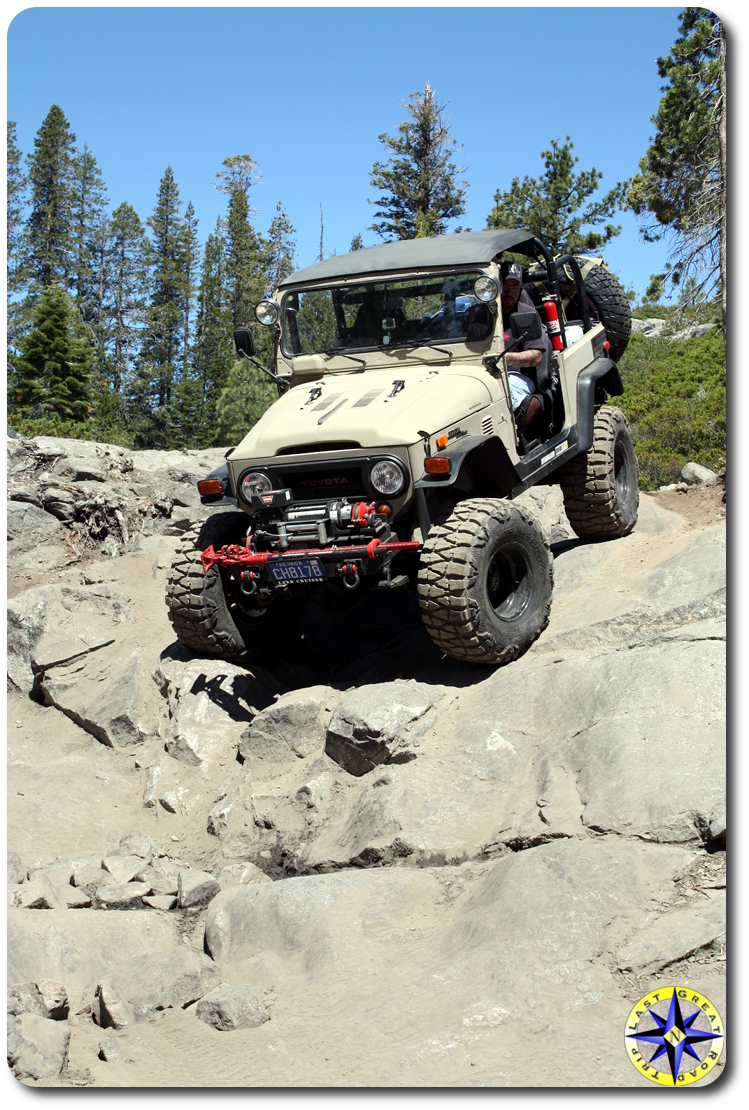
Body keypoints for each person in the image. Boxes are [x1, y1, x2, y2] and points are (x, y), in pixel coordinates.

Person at [500, 262, 553, 426]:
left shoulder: (526, 315)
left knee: (499, 393)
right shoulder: (483, 315)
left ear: (520, 289)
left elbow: (536, 357)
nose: (509, 292)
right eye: (505, 286)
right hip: (485, 375)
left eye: (515, 287)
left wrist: (503, 358)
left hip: (519, 377)